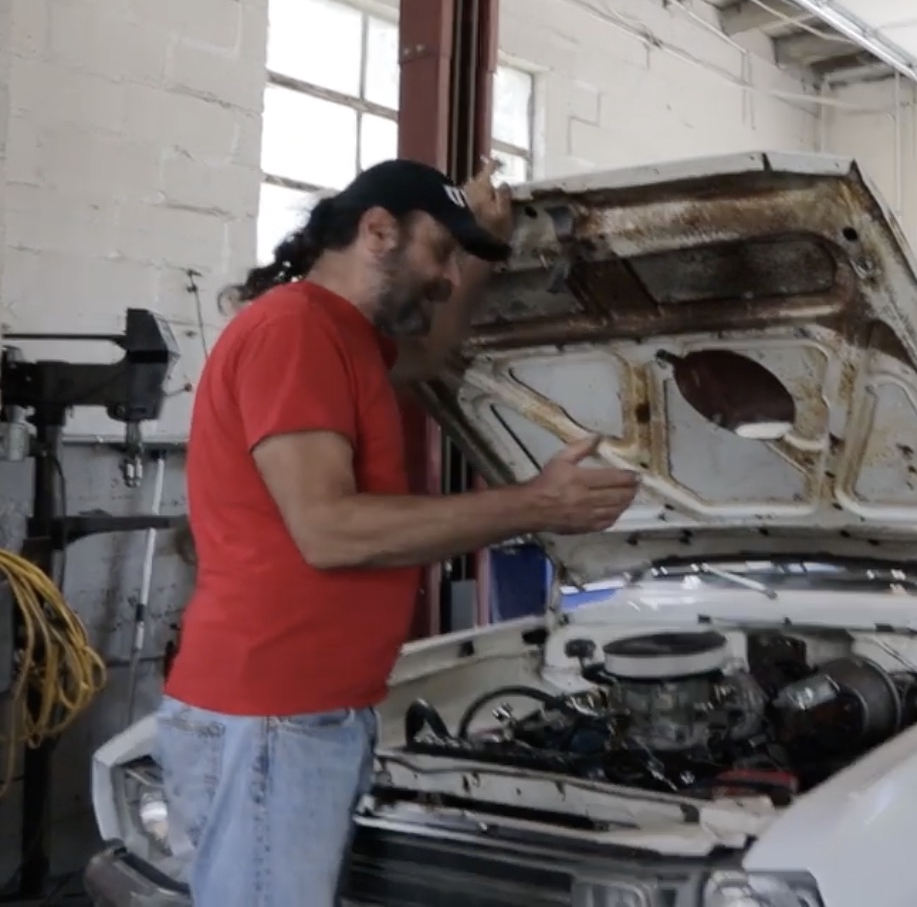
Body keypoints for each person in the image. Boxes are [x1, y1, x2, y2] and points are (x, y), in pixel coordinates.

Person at [158, 157, 642, 907]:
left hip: (305, 711)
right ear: (377, 231)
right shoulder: (294, 332)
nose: (448, 279)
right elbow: (328, 529)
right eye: (437, 255)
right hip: (271, 715)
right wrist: (537, 504)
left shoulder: (343, 334)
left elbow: (433, 354)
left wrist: (476, 246)